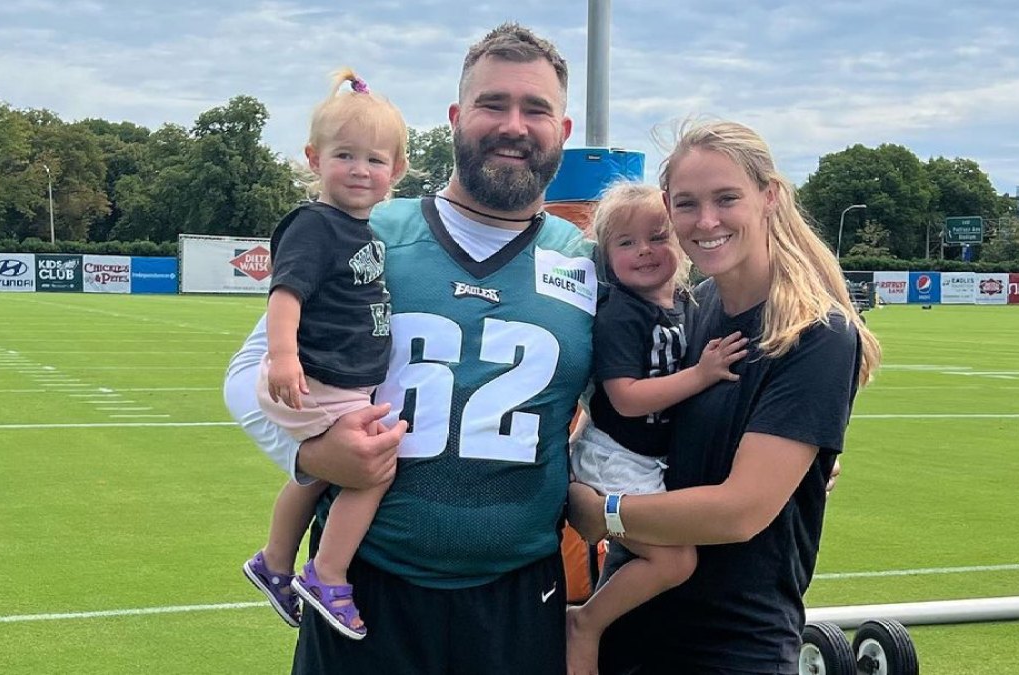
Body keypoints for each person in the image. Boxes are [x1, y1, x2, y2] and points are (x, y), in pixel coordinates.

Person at [223, 23, 592, 675]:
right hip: (369, 585)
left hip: (517, 594)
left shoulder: (586, 263)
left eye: (535, 109)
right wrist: (310, 452)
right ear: (455, 118)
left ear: (561, 130)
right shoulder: (367, 231)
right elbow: (247, 373)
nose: (513, 125)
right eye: (492, 103)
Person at [568, 120, 883, 675]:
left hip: (733, 641)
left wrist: (605, 513)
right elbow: (641, 421)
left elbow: (740, 512)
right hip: (630, 623)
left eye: (726, 199)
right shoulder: (695, 305)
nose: (706, 221)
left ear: (769, 196)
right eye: (687, 204)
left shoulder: (816, 333)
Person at [240, 69, 408, 641]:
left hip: (338, 380)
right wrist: (283, 356)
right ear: (314, 159)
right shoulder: (315, 225)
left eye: (374, 160)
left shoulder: (365, 233)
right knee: (373, 469)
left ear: (396, 170)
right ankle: (327, 572)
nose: (360, 170)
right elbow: (285, 294)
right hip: (314, 378)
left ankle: (273, 561)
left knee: (315, 474)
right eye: (344, 155)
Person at [565, 182, 748, 674]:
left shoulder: (689, 304)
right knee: (675, 560)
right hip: (616, 456)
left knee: (670, 557)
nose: (644, 250)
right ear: (606, 256)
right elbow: (625, 399)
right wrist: (700, 375)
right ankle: (585, 623)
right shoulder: (620, 313)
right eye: (626, 242)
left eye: (658, 236)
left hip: (653, 459)